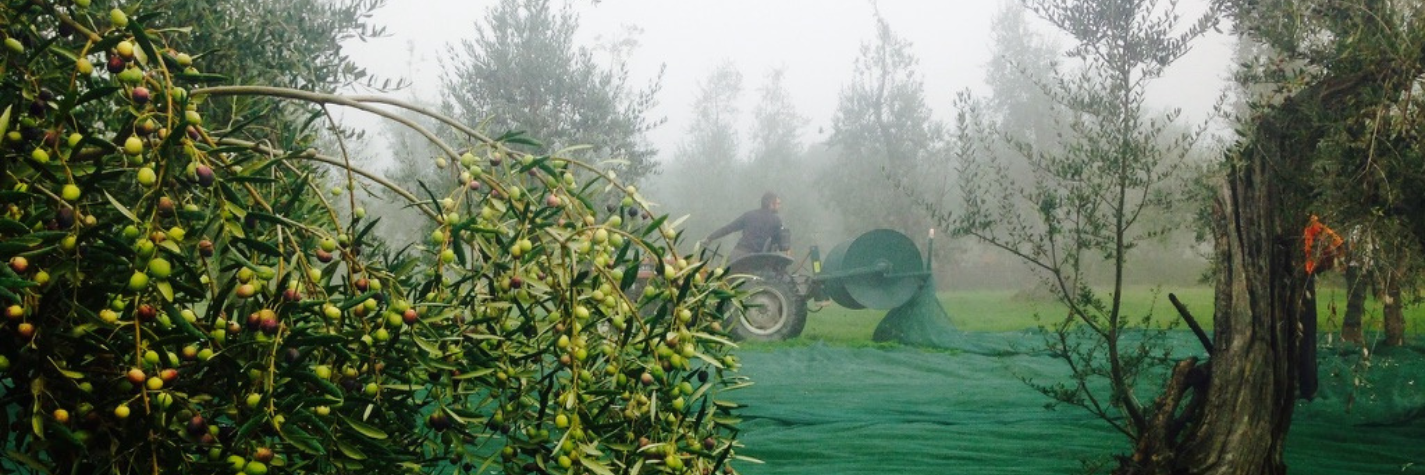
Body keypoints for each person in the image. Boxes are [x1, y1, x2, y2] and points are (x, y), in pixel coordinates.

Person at [703, 191, 787, 261]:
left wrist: (709, 238)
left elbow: (728, 228)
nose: (779, 206)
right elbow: (781, 243)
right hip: (755, 260)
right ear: (771, 204)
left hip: (737, 255)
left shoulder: (749, 215)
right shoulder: (776, 221)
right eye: (778, 204)